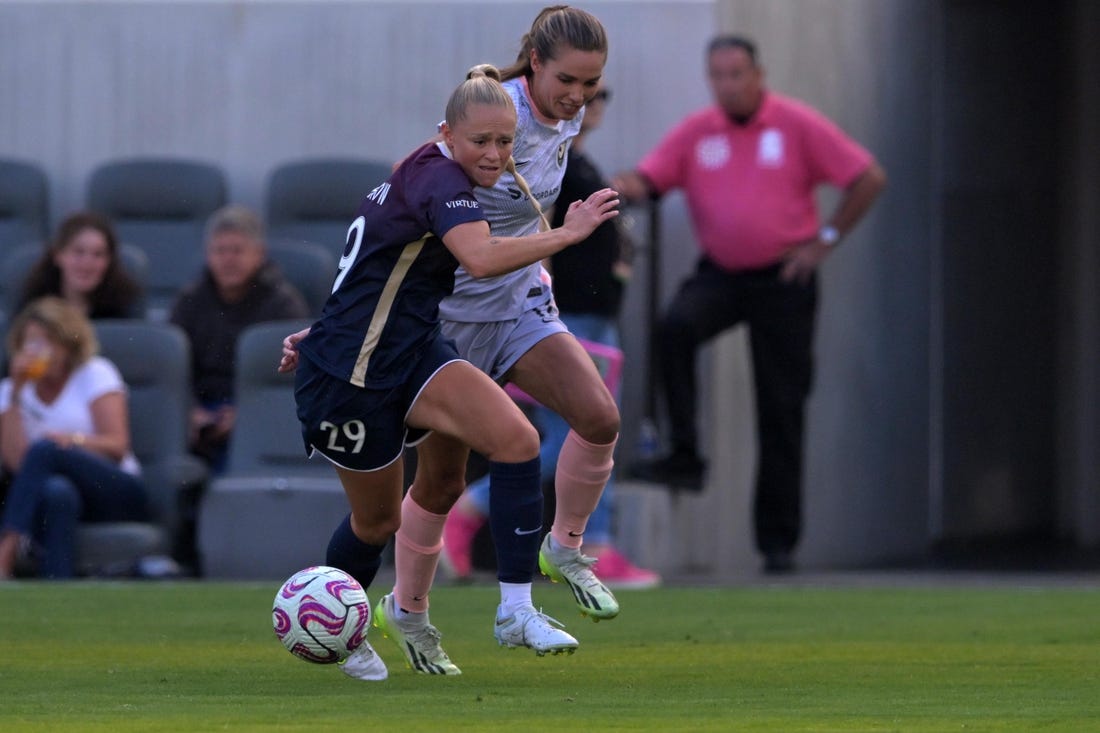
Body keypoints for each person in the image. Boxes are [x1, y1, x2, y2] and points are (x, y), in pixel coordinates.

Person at [282, 5, 620, 678]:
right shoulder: (440, 177)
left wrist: (538, 262)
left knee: (524, 439)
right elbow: (476, 257)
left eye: (503, 144)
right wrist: (568, 235)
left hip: (426, 343)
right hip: (362, 367)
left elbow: (377, 264)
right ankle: (359, 622)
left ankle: (519, 604)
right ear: (448, 135)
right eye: (484, 144)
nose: (496, 155)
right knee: (385, 516)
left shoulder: (522, 133)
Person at [614, 35, 887, 574]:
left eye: (737, 73)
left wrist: (824, 241)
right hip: (722, 274)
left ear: (758, 74)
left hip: (784, 275)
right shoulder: (699, 132)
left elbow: (867, 177)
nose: (728, 85)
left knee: (780, 407)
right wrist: (617, 185)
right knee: (675, 327)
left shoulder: (794, 123)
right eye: (717, 75)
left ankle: (777, 544)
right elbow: (650, 178)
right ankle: (685, 454)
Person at [443, 83, 660, 589]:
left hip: (586, 311)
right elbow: (511, 234)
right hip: (560, 315)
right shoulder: (527, 156)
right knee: (574, 430)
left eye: (595, 87)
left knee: (594, 427)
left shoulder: (565, 155)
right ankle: (537, 531)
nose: (587, 98)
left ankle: (582, 543)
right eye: (575, 85)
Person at [0, 296, 148, 579]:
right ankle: (58, 592)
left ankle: (6, 549)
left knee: (47, 448)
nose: (40, 352)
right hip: (56, 497)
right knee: (58, 492)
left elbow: (117, 446)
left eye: (49, 342)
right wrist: (16, 395)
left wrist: (73, 442)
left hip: (116, 489)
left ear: (68, 345)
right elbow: (19, 465)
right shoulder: (9, 391)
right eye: (32, 343)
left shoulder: (95, 373)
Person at [170, 204, 308, 473]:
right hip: (201, 414)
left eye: (237, 250)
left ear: (260, 254)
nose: (228, 259)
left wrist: (244, 414)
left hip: (260, 415)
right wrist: (190, 411)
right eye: (220, 251)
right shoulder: (189, 301)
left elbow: (288, 380)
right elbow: (171, 370)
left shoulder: (284, 305)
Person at [15, 211, 143, 319]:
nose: (87, 264)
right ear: (58, 255)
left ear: (109, 261)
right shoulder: (34, 305)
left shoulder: (123, 306)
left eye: (98, 254)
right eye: (78, 252)